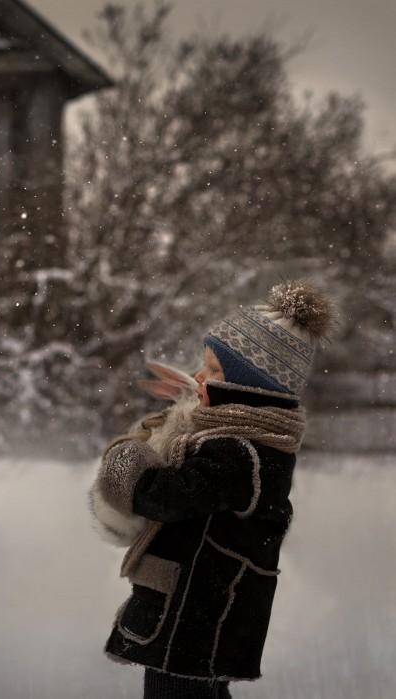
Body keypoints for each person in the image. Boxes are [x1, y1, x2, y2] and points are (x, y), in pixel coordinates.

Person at [90, 279, 336, 699]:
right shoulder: (246, 443)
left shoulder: (239, 452)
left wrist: (129, 459)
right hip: (202, 618)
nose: (199, 377)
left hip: (194, 621)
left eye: (215, 369)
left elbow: (167, 496)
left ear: (249, 386)